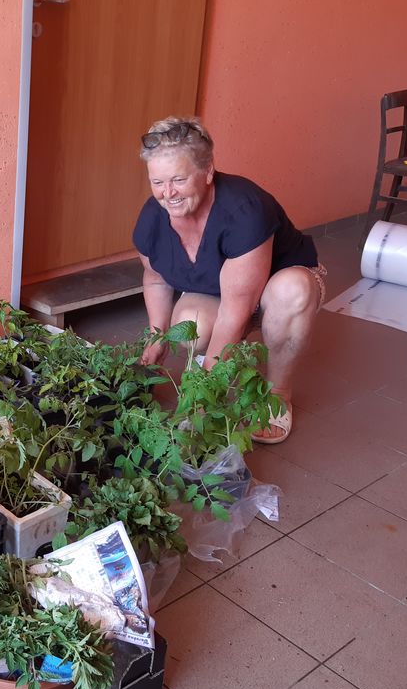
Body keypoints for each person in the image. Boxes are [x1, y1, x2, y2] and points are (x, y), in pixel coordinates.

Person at [133, 116, 326, 444]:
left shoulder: (244, 209)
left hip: (279, 286)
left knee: (291, 291)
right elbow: (155, 280)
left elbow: (237, 309)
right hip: (220, 291)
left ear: (207, 171)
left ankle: (277, 394)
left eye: (178, 179)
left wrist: (204, 391)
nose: (168, 193)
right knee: (191, 325)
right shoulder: (153, 218)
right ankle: (214, 362)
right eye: (158, 182)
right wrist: (157, 336)